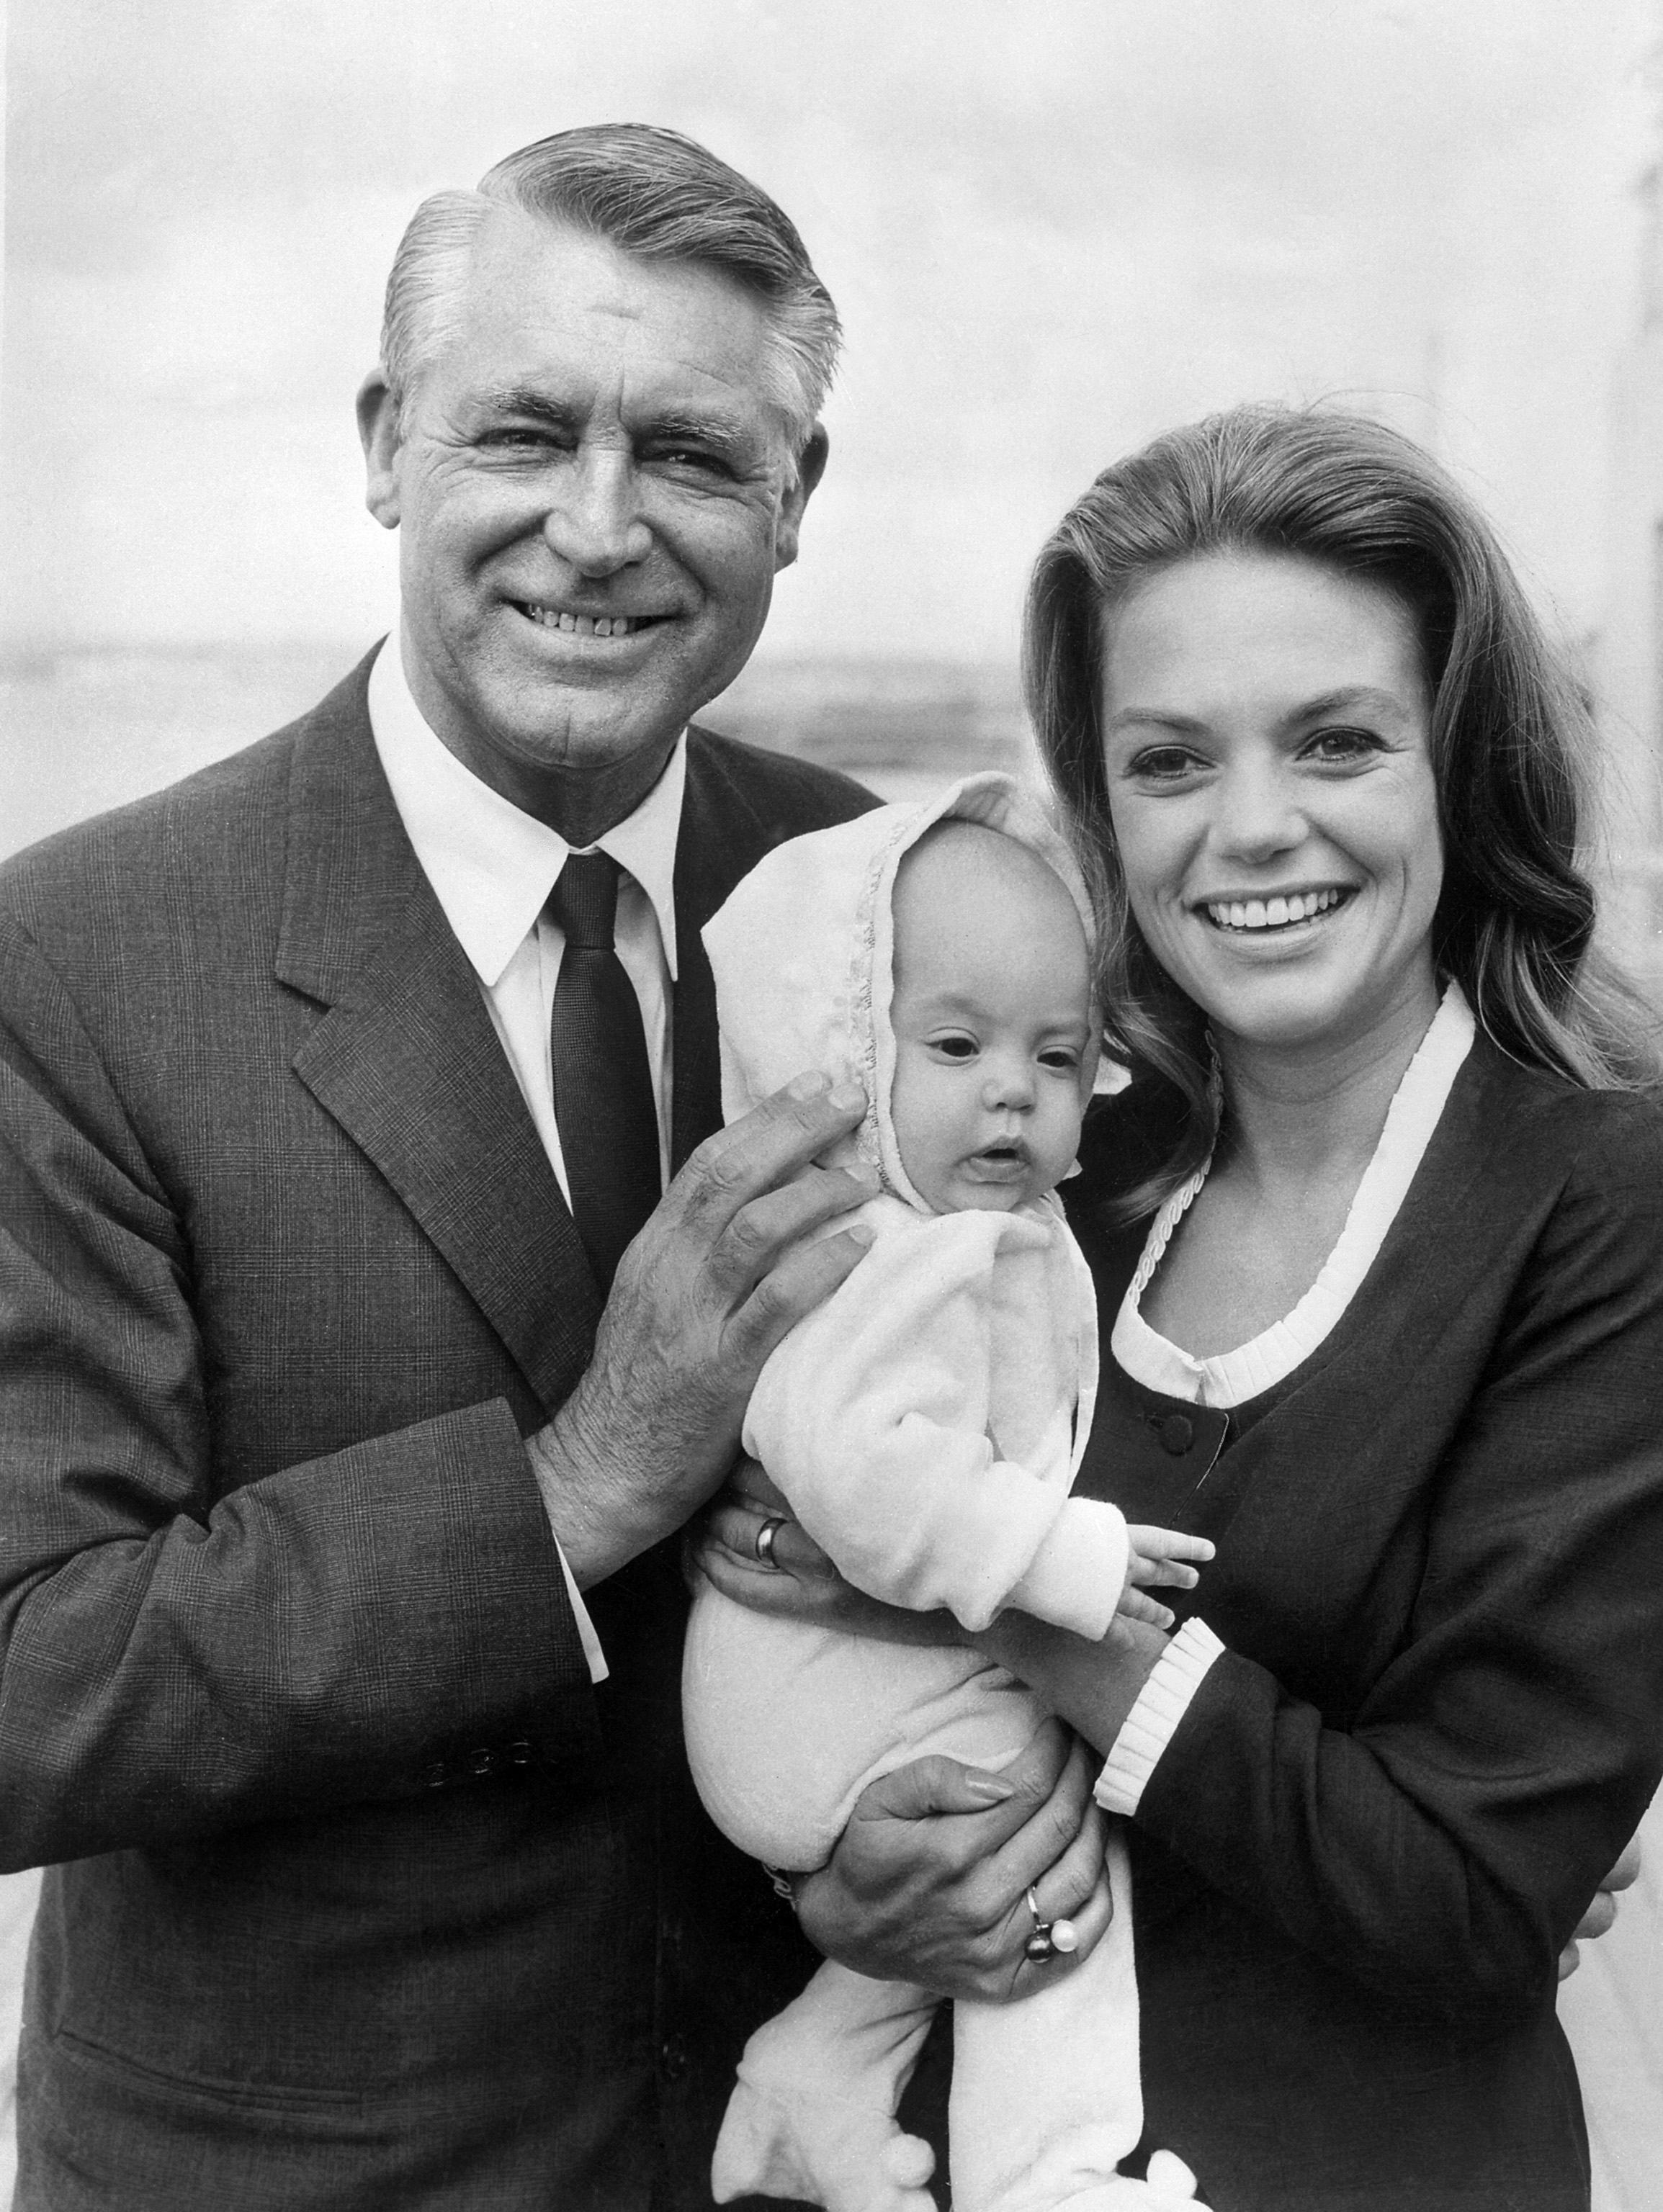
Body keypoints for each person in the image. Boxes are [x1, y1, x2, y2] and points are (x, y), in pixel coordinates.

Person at [0, 125, 1112, 2211]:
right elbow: (26, 1683)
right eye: (524, 431)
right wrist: (581, 1481)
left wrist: (1453, 1779)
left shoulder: (897, 900)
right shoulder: (75, 960)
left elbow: (1124, 1359)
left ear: (795, 499)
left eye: (688, 455)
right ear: (383, 446)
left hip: (811, 2144)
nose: (597, 531)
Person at [699, 405, 1663, 2211]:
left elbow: (1473, 1895)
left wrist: (1007, 1594)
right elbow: (796, 1578)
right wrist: (842, 1883)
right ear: (1100, 804)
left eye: (1339, 740)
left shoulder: (1600, 1201)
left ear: (1457, 759)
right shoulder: (1058, 1168)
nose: (1253, 828)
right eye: (1168, 761)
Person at [683, 776, 1211, 2212]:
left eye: (1058, 1055)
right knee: (1055, 1863)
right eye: (957, 1046)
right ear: (845, 1058)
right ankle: (1052, 2175)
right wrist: (1055, 1556)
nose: (1012, 1091)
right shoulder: (891, 1254)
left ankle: (807, 2085)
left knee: (971, 1862)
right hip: (820, 1697)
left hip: (819, 1699)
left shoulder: (971, 1229)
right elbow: (860, 1466)